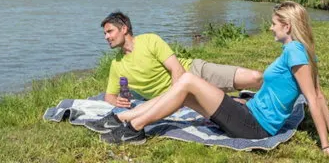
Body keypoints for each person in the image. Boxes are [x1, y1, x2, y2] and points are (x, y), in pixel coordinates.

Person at [93, 2, 329, 157]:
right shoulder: (297, 51)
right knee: (188, 94)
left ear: (287, 27)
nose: (270, 27)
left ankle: (135, 127)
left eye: (274, 23)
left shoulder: (295, 52)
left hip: (255, 127)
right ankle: (124, 119)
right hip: (248, 113)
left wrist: (326, 146)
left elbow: (313, 97)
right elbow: (319, 94)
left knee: (186, 82)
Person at [93, 11, 263, 109]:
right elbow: (109, 95)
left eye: (109, 31)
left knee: (255, 78)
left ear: (124, 29)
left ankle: (285, 87)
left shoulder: (149, 40)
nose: (106, 37)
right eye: (104, 33)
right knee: (236, 105)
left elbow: (176, 69)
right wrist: (117, 101)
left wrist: (174, 99)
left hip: (194, 72)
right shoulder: (117, 64)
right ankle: (241, 99)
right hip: (185, 98)